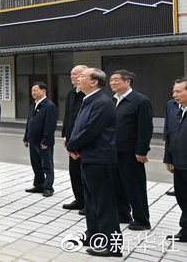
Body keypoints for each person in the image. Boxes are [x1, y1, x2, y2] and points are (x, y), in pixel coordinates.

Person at [66, 68, 121, 257]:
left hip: (100, 158)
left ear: (94, 82)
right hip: (88, 157)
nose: (78, 79)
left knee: (104, 202)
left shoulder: (102, 103)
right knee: (90, 201)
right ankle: (94, 235)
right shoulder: (88, 100)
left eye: (82, 77)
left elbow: (91, 131)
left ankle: (112, 245)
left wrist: (73, 146)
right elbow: (78, 127)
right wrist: (74, 146)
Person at [109, 69, 153, 231]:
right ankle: (123, 214)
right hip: (114, 150)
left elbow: (145, 128)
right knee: (117, 185)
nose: (112, 83)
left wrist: (141, 150)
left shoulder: (140, 101)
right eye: (111, 80)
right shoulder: (113, 101)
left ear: (127, 82)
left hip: (131, 152)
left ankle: (142, 219)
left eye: (116, 80)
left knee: (134, 186)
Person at [23, 82, 58, 197]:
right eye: (32, 91)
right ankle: (38, 185)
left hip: (43, 142)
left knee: (47, 165)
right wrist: (26, 137)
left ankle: (48, 187)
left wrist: (46, 140)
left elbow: (50, 125)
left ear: (43, 91)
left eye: (35, 90)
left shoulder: (49, 106)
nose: (33, 93)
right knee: (36, 164)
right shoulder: (33, 105)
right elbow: (29, 122)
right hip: (33, 140)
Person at [61, 65, 87, 211]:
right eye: (71, 74)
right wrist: (66, 135)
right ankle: (79, 199)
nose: (72, 77)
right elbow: (67, 116)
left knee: (84, 172)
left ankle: (87, 202)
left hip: (83, 140)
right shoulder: (72, 94)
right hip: (71, 139)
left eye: (75, 74)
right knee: (74, 171)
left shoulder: (88, 95)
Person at [164, 78, 187, 242]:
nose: (174, 95)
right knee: (182, 197)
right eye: (174, 91)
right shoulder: (175, 108)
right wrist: (168, 158)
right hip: (179, 162)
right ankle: (185, 230)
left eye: (178, 91)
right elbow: (169, 136)